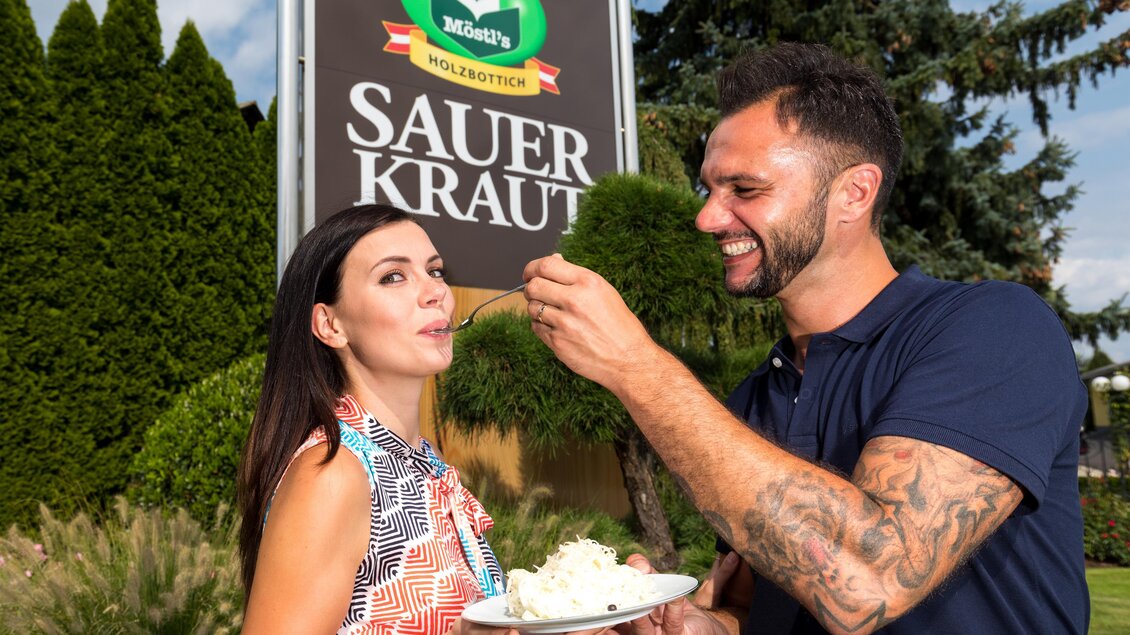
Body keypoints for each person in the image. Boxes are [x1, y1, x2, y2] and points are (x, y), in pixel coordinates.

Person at [520, 42, 1090, 634]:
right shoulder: (752, 400)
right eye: (710, 189)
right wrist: (693, 626)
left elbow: (869, 582)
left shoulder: (993, 329)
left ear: (854, 193)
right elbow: (753, 607)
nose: (707, 218)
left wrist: (634, 365)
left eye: (744, 190)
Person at [237, 204, 504, 633]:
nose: (435, 291)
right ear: (330, 324)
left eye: (434, 271)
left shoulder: (419, 461)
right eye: (393, 276)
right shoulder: (333, 473)